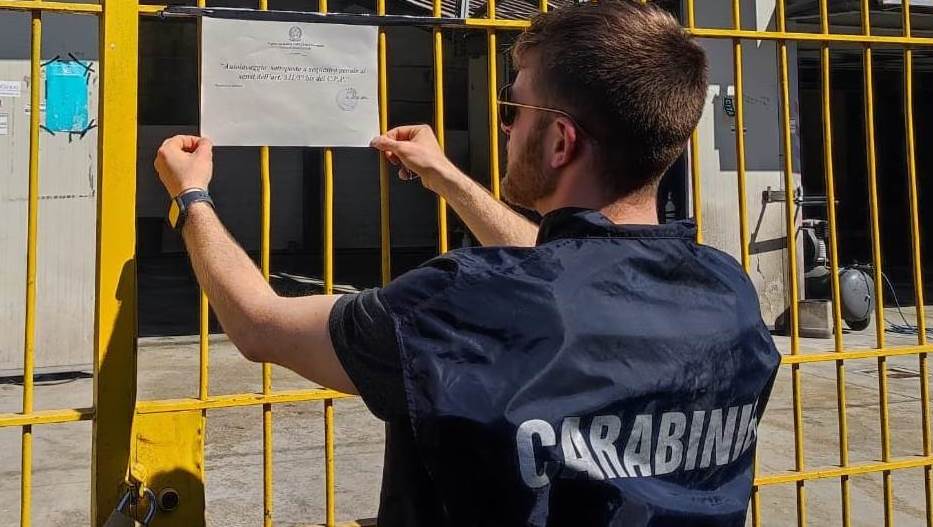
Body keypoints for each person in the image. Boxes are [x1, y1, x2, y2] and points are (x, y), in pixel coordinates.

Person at [153, 2, 780, 525]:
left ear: (561, 141)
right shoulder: (728, 293)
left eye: (513, 110)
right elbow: (572, 269)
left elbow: (260, 325)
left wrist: (191, 197)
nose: (505, 128)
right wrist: (446, 177)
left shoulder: (467, 303)